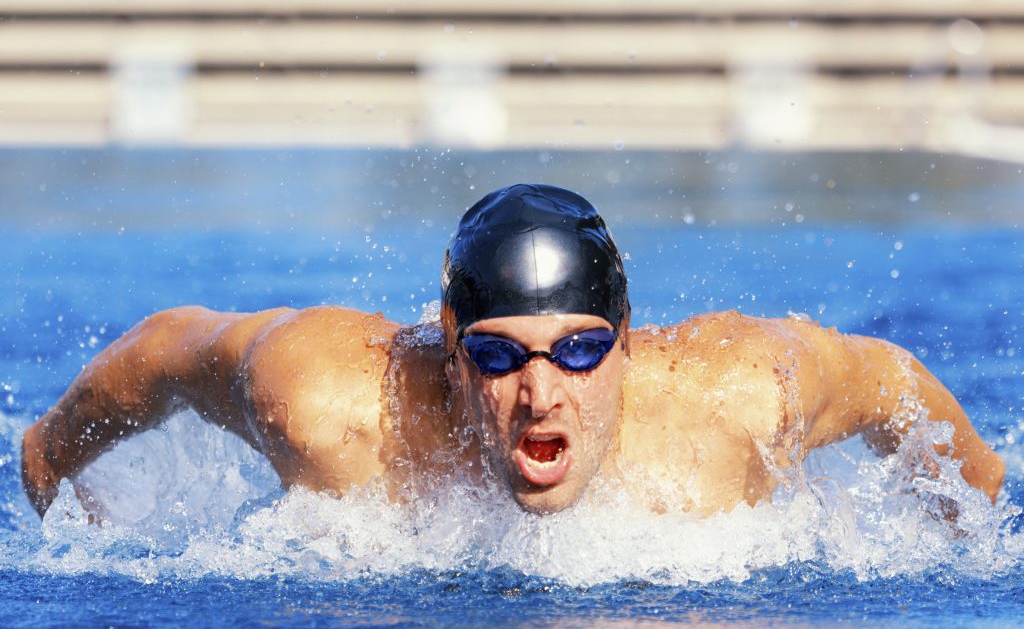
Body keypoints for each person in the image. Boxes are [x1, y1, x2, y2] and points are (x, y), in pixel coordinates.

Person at [21, 184, 1005, 519]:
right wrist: (49, 464)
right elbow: (163, 350)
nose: (542, 393)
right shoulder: (331, 404)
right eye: (497, 357)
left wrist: (975, 519)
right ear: (448, 345)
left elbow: (896, 386)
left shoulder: (738, 397)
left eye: (578, 351)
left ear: (625, 339)